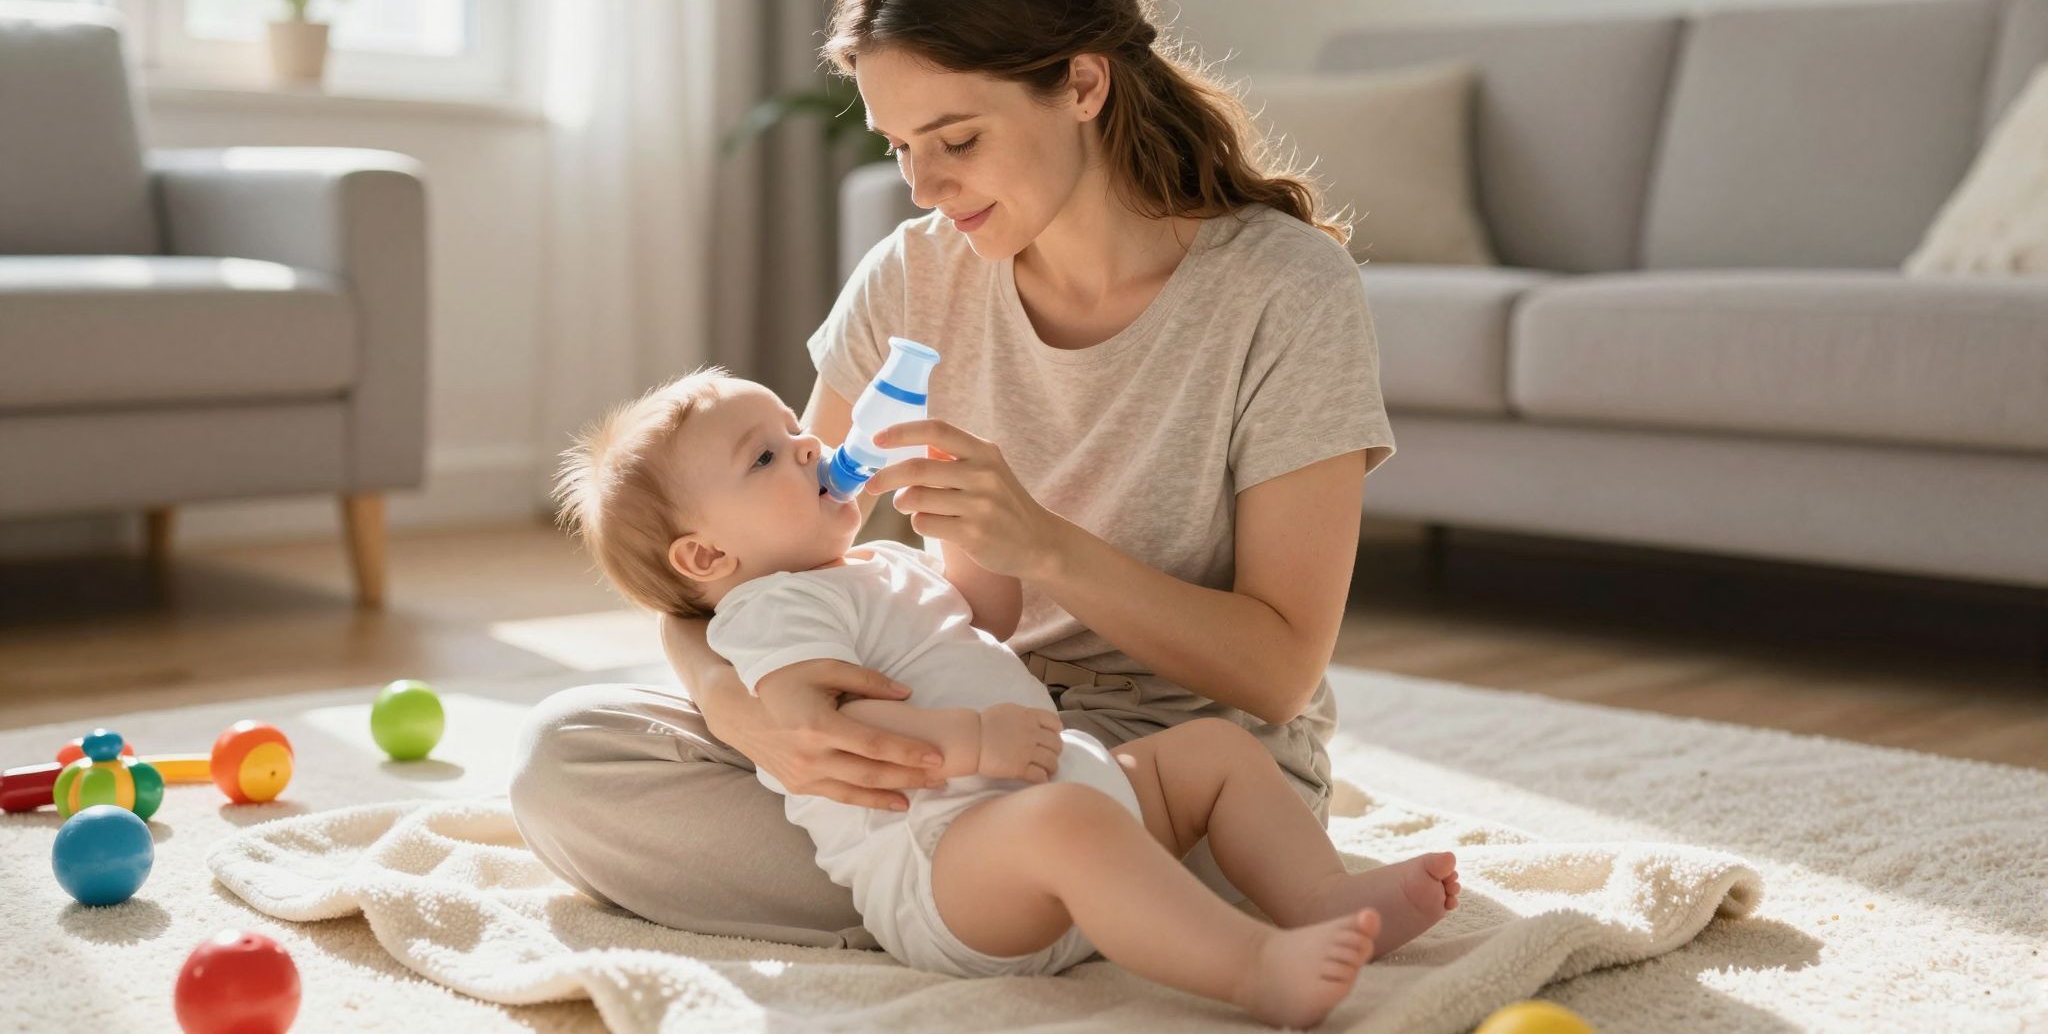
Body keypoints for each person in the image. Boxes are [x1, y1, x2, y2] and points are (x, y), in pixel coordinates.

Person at [510, 0, 1398, 958]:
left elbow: (1277, 671)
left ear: (1080, 81)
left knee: (1094, 819)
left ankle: (1006, 902)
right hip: (942, 739)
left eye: (955, 139)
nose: (925, 188)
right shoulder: (913, 279)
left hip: (1181, 762)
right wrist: (757, 721)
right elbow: (737, 568)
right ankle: (1021, 909)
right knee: (564, 759)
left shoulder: (1282, 291)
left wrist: (1045, 548)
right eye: (897, 147)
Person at [551, 368, 1456, 1028]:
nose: (809, 445)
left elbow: (986, 616)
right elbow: (820, 723)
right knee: (1069, 825)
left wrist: (971, 541)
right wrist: (970, 741)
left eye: (795, 426)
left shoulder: (875, 565)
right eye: (766, 457)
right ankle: (1255, 969)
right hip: (944, 863)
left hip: (1053, 782)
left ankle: (1324, 899)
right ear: (707, 559)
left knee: (1218, 755)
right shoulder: (770, 610)